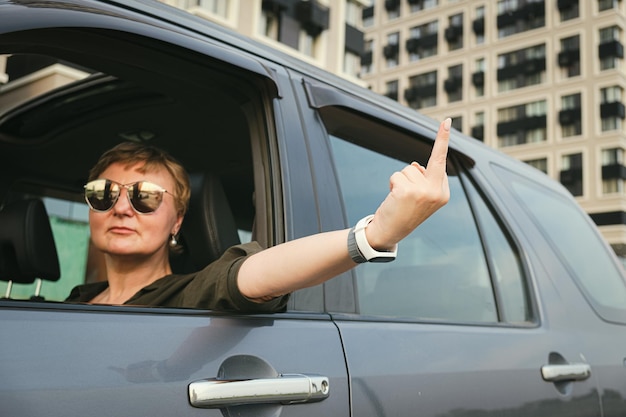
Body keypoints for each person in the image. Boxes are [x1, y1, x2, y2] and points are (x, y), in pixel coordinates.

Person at [66, 118, 451, 310]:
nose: (120, 207)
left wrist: (375, 234)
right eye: (103, 194)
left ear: (178, 220)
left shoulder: (187, 295)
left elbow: (258, 275)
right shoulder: (73, 302)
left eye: (144, 196)